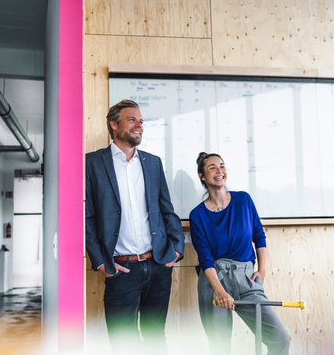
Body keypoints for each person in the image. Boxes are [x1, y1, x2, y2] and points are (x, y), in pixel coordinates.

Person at [85, 99, 184, 352]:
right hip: (121, 270)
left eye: (141, 121)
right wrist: (100, 262)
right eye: (132, 120)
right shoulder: (93, 163)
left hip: (158, 265)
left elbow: (167, 209)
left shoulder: (153, 162)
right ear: (114, 125)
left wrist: (176, 249)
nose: (139, 125)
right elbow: (87, 217)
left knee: (154, 340)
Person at [189, 152, 291, 355]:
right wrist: (219, 291)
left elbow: (259, 236)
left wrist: (261, 272)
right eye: (212, 167)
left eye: (222, 166)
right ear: (202, 176)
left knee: (280, 338)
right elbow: (205, 258)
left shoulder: (243, 200)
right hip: (214, 281)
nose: (219, 171)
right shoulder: (197, 215)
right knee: (220, 348)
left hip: (246, 277)